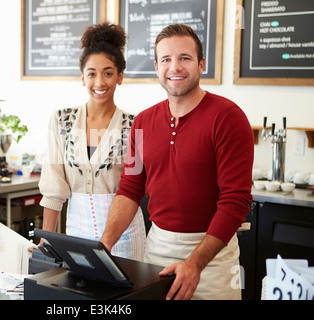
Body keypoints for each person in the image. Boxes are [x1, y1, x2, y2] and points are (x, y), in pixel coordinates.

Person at [100, 24, 254, 299]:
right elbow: (130, 189)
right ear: (157, 67)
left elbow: (235, 201)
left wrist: (195, 264)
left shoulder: (228, 118)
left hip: (213, 262)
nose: (175, 67)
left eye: (185, 58)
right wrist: (104, 245)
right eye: (167, 59)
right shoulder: (142, 123)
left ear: (201, 64)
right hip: (157, 251)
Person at [38, 23, 146, 261]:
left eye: (108, 73)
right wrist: (45, 241)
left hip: (124, 236)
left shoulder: (134, 125)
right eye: (92, 73)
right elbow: (54, 188)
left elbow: (136, 189)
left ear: (120, 77)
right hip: (76, 232)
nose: (100, 82)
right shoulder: (61, 121)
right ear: (82, 77)